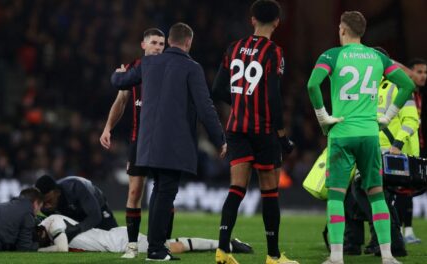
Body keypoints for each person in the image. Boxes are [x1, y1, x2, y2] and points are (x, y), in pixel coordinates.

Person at [111, 22, 226, 261]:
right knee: (164, 194)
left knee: (159, 193)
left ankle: (156, 247)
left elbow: (119, 82)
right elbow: (206, 108)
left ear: (169, 41)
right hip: (174, 145)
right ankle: (155, 249)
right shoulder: (191, 68)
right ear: (188, 42)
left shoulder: (148, 63)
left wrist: (118, 73)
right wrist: (219, 139)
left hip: (147, 144)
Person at [307, 10, 415, 264]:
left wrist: (323, 117)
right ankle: (387, 256)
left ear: (342, 29)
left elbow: (312, 84)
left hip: (342, 133)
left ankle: (336, 257)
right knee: (377, 193)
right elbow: (408, 85)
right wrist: (387, 116)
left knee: (336, 194)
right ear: (363, 31)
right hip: (369, 134)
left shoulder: (332, 55)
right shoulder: (378, 57)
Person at [212, 1, 295, 264]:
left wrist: (240, 102)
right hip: (263, 131)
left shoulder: (233, 48)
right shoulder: (274, 52)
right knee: (269, 191)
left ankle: (223, 250)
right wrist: (282, 136)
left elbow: (217, 90)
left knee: (237, 188)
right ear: (277, 23)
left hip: (236, 128)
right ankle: (273, 256)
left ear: (252, 20)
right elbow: (273, 97)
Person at [99, 28, 169, 259]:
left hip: (164, 141)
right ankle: (131, 246)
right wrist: (108, 127)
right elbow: (121, 101)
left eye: (162, 43)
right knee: (135, 191)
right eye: (155, 43)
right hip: (139, 140)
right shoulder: (132, 70)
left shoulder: (170, 68)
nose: (159, 47)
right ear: (143, 45)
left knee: (165, 194)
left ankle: (162, 243)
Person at [36, 214, 252, 255]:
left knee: (171, 246)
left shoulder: (52, 221)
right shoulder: (52, 221)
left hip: (118, 242)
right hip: (114, 238)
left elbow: (62, 249)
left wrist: (37, 249)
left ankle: (228, 244)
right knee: (169, 244)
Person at [394, 58, 427, 244]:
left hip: (413, 146)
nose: (423, 76)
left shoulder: (417, 95)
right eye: (419, 71)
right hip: (402, 147)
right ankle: (402, 232)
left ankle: (406, 231)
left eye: (425, 72)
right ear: (410, 72)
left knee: (407, 191)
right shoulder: (404, 91)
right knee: (401, 191)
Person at [35, 175, 118, 242]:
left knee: (114, 237)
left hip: (99, 208)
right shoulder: (43, 207)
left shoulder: (75, 188)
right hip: (74, 212)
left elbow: (95, 216)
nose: (46, 205)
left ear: (57, 192)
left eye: (49, 200)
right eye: (43, 202)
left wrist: (77, 229)